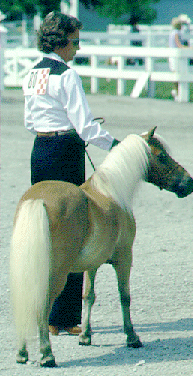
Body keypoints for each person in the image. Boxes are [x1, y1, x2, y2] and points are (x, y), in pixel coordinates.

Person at [22, 11, 119, 336]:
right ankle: (65, 317)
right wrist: (116, 144)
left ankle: (46, 312)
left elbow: (28, 121)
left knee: (45, 231)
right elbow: (87, 128)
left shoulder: (32, 74)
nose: (77, 49)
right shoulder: (67, 75)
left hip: (40, 151)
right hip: (65, 151)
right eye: (75, 42)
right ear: (62, 42)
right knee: (74, 229)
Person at [169, 16, 193, 101]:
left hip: (172, 56)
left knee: (175, 73)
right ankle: (177, 93)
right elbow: (179, 45)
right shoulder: (176, 33)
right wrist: (190, 48)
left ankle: (176, 92)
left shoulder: (172, 33)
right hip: (176, 56)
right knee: (178, 74)